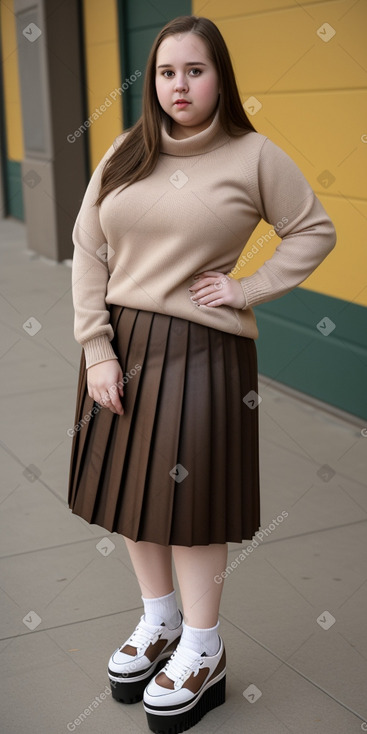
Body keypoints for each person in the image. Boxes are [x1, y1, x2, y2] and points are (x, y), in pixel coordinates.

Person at [67, 14, 336, 734]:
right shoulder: (128, 150)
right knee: (128, 495)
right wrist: (97, 348)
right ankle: (158, 623)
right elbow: (88, 249)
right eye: (164, 72)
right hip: (120, 344)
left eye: (194, 70)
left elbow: (313, 230)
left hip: (202, 354)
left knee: (190, 509)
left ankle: (203, 647)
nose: (178, 85)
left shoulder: (253, 157)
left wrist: (245, 288)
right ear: (149, 81)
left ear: (220, 77)